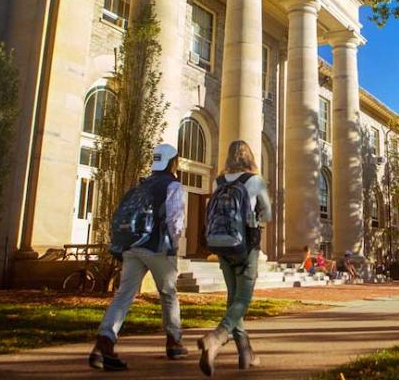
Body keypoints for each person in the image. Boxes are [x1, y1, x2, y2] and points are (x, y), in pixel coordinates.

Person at [89, 143, 187, 371]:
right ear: (173, 162)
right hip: (157, 247)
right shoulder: (172, 185)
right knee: (169, 293)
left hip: (131, 246)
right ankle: (174, 342)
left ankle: (104, 341)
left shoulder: (141, 185)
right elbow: (175, 220)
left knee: (123, 294)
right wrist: (174, 244)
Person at [198, 140, 272, 377]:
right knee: (242, 300)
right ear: (250, 156)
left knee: (233, 300)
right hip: (246, 246)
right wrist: (256, 220)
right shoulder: (255, 181)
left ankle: (245, 353)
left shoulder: (218, 181)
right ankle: (216, 338)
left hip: (221, 245)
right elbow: (267, 214)